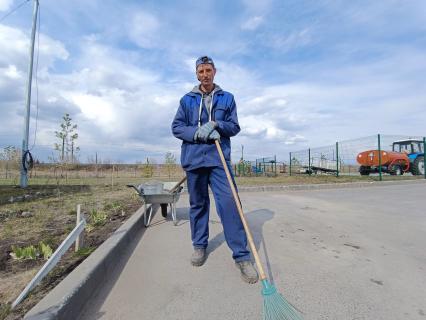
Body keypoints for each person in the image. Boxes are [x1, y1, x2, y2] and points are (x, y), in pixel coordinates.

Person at [171, 56, 259, 284]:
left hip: (219, 160)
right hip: (194, 160)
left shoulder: (227, 98)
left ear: (215, 72)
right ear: (196, 74)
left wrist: (218, 125)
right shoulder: (186, 100)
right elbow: (177, 127)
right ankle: (199, 246)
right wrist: (196, 132)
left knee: (230, 204)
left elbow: (235, 126)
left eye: (208, 70)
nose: (205, 75)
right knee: (198, 205)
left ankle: (242, 256)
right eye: (200, 71)